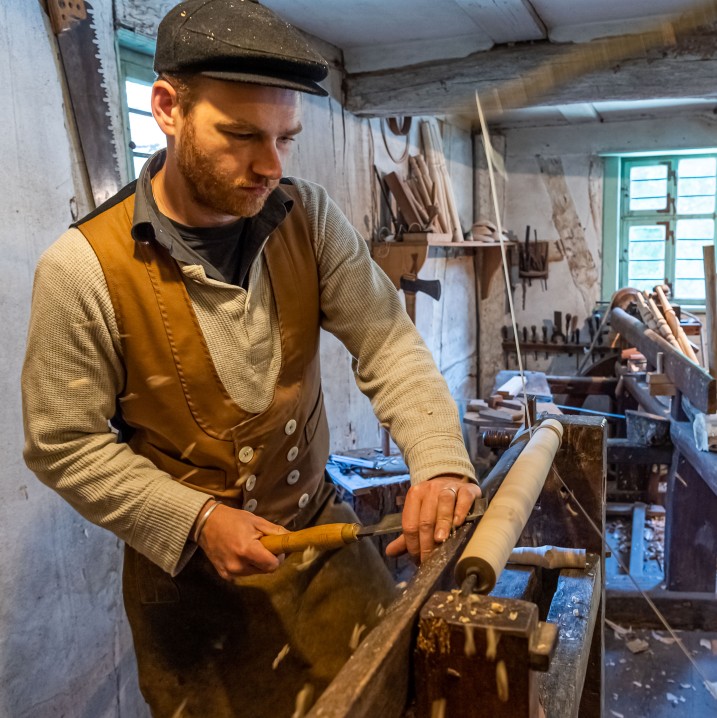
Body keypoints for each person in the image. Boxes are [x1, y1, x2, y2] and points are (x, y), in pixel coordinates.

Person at [22, 0, 480, 715]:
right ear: (167, 107)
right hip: (188, 587)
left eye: (285, 140)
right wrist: (198, 519)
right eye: (240, 136)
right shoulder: (81, 268)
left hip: (321, 538)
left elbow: (386, 341)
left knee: (389, 692)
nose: (269, 165)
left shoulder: (310, 217)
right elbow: (64, 444)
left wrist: (440, 458)